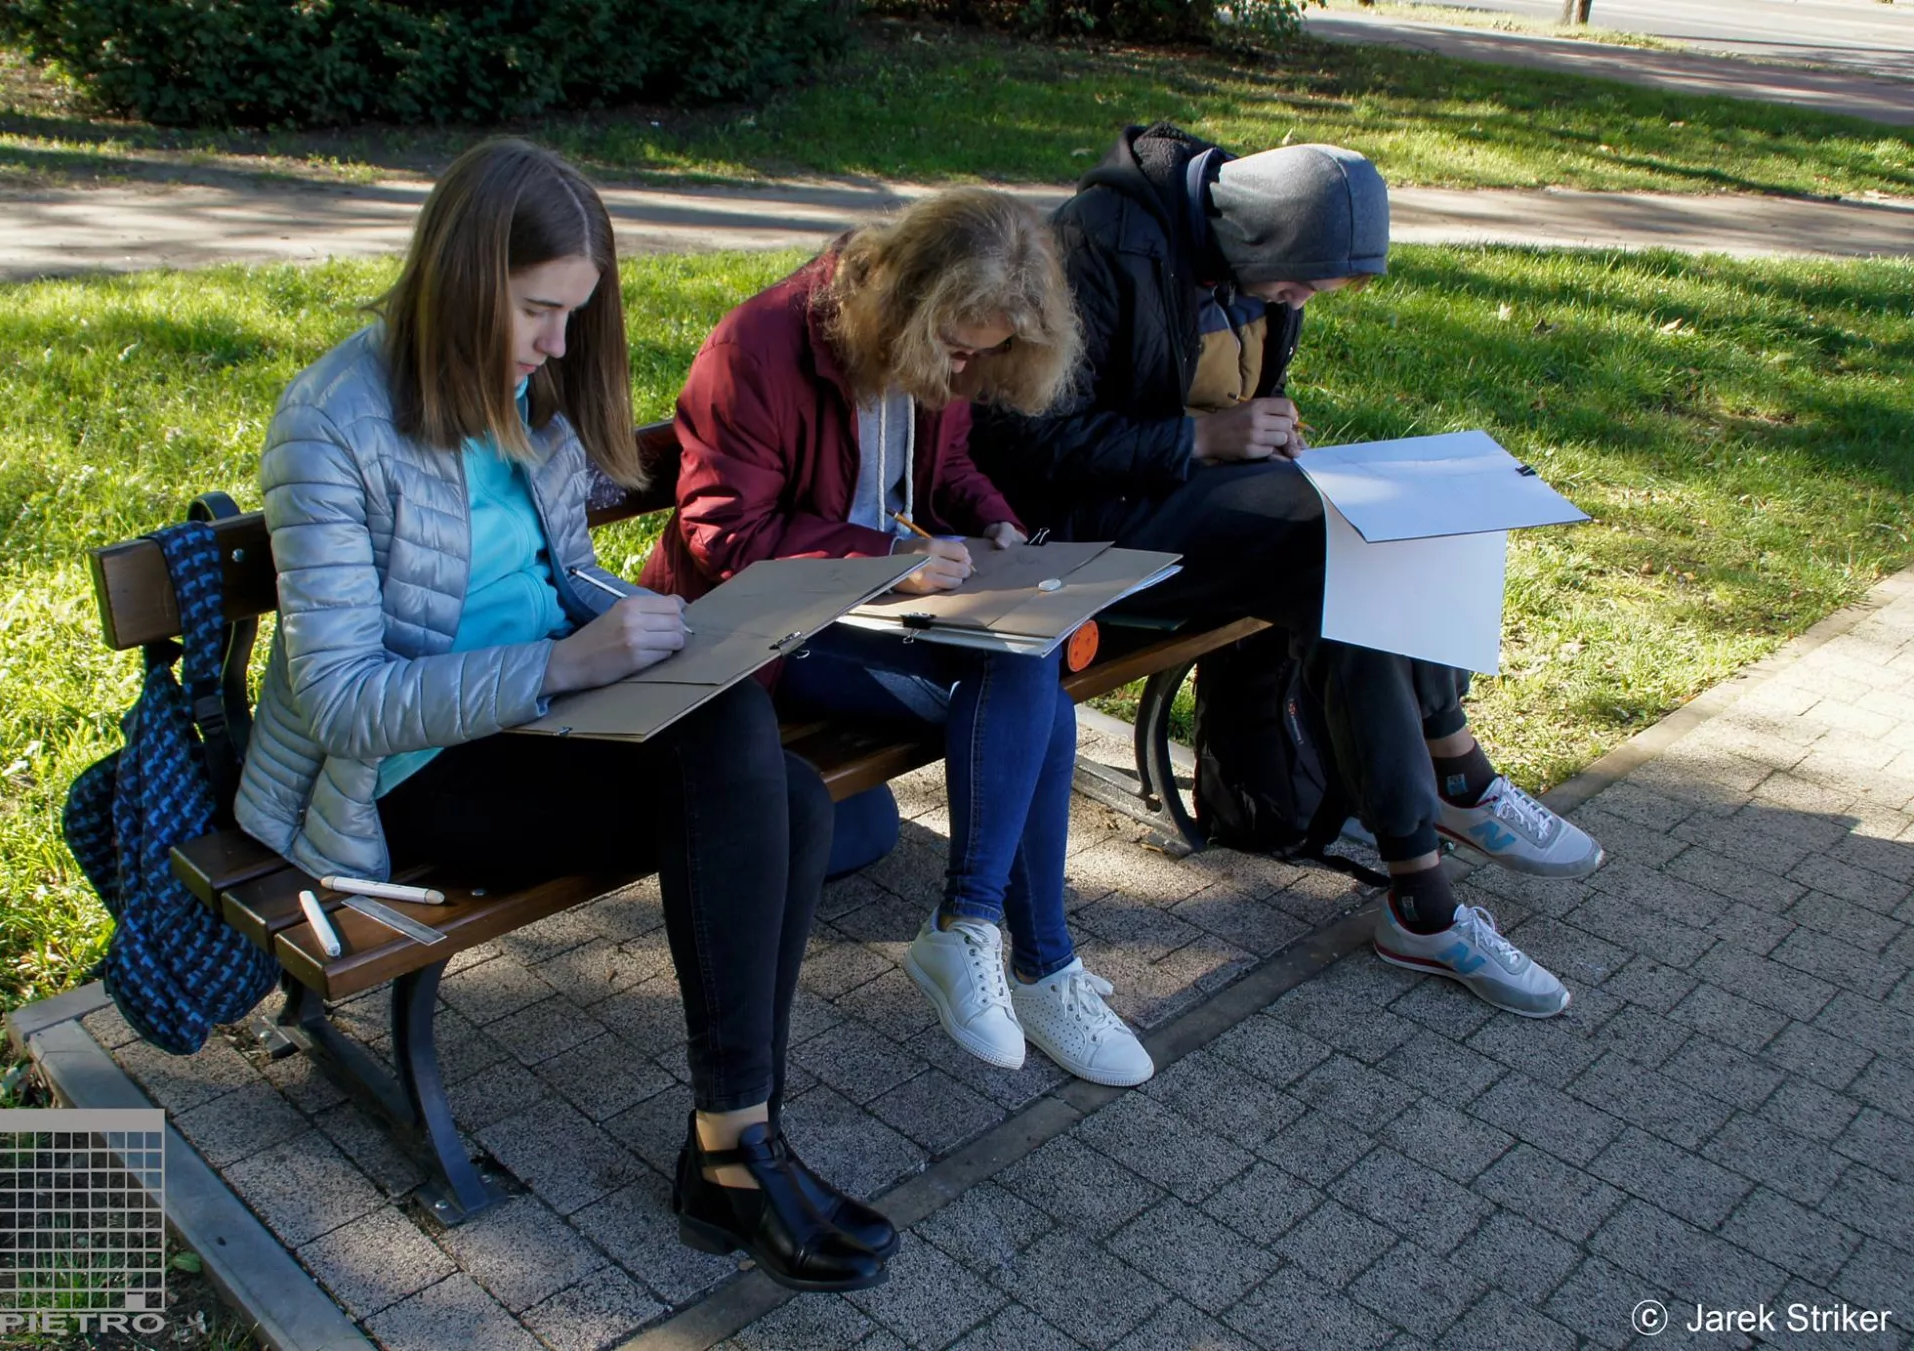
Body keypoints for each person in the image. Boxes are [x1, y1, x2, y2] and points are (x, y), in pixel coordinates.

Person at [231, 138, 892, 1290]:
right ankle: (737, 1152)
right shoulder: (330, 421)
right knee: (760, 780)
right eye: (538, 311)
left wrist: (659, 626)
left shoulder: (522, 391)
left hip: (541, 718)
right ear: (461, 281)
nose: (556, 347)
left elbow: (560, 566)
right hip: (414, 772)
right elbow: (342, 700)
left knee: (772, 776)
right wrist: (565, 661)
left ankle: (735, 1143)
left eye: (573, 315)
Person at [971, 125, 1603, 1019]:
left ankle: (1425, 884)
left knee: (1389, 531)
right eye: (1300, 283)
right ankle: (1451, 775)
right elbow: (1020, 444)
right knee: (1338, 535)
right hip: (1075, 526)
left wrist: (1260, 429)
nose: (1300, 300)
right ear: (1255, 238)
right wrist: (1200, 437)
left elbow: (1235, 383)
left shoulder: (1246, 258)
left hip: (1191, 501)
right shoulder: (1097, 246)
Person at [641, 188, 1155, 1087]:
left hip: (875, 615)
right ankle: (1027, 956)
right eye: (959, 349)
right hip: (766, 638)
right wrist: (886, 558)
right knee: (1032, 691)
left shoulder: (932, 354)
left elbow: (947, 468)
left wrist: (996, 528)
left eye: (983, 358)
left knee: (1028, 665)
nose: (963, 373)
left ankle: (997, 942)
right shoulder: (754, 350)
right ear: (912, 302)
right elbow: (722, 537)